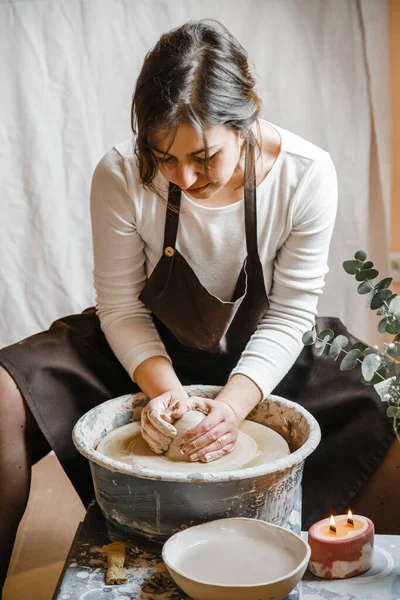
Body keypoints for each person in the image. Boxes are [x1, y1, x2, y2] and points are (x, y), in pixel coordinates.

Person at [0, 18, 399, 595]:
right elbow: (119, 306)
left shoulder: (307, 174)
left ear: (247, 120)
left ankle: (324, 572)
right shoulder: (120, 172)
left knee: (392, 403)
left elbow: (289, 315)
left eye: (204, 157)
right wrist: (164, 392)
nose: (183, 178)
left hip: (267, 351)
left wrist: (234, 407)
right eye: (163, 157)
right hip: (139, 349)